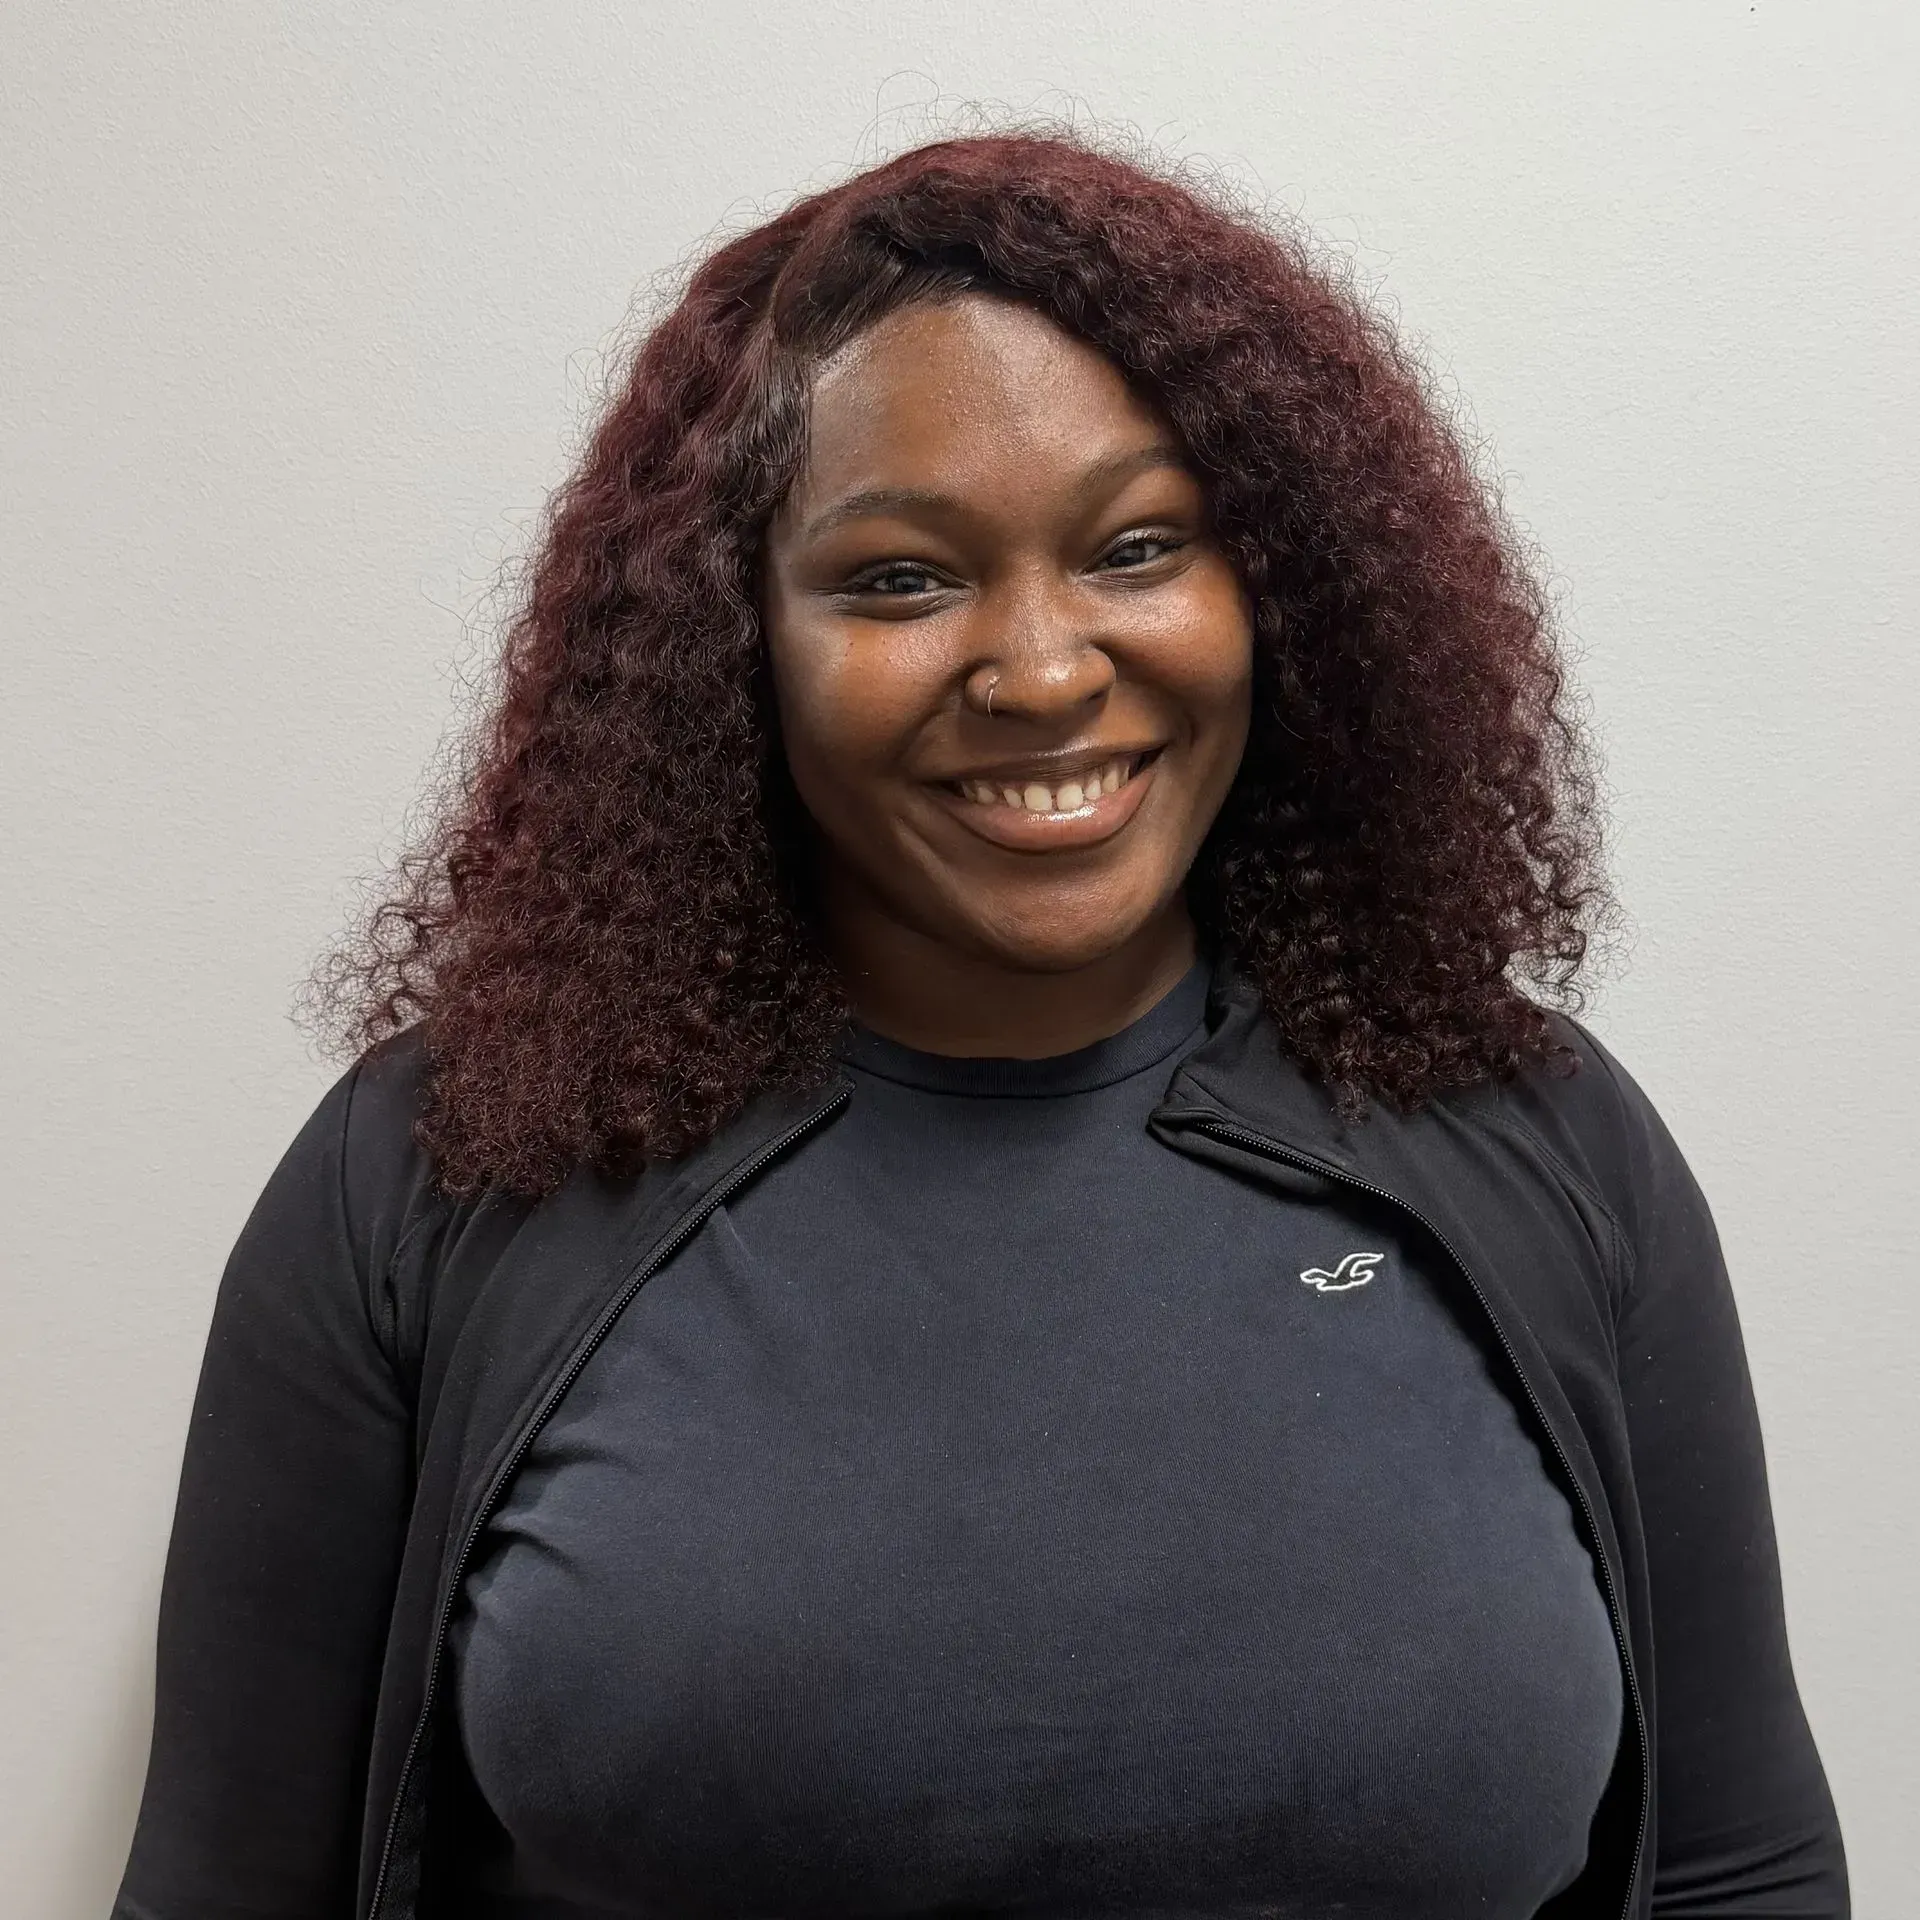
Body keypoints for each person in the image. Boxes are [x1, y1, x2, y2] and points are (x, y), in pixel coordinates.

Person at [112, 131, 1846, 1920]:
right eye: (899, 580)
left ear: (1288, 587)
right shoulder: (444, 1172)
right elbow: (227, 1883)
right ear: (737, 644)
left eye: (1141, 545)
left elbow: (1737, 1868)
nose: (1039, 670)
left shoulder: (1537, 1141)